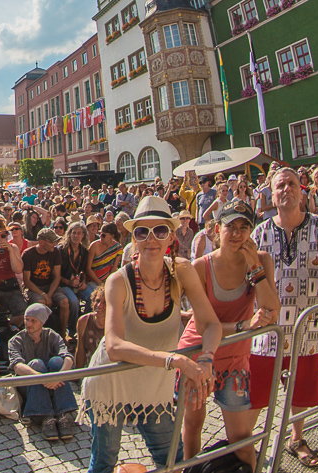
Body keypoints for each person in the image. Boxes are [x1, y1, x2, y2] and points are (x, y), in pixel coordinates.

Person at [82, 196, 220, 473]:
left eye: (159, 230)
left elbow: (211, 323)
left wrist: (206, 358)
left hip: (154, 383)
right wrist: (175, 360)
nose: (151, 239)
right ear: (133, 238)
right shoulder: (118, 281)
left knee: (172, 460)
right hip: (112, 381)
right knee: (105, 461)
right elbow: (114, 346)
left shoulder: (181, 271)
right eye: (142, 232)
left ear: (171, 236)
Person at [249, 167, 318, 468]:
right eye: (280, 185)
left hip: (307, 331)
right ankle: (253, 444)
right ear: (271, 192)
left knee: (301, 391)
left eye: (292, 184)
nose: (286, 190)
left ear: (302, 190)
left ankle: (297, 438)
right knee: (258, 393)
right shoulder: (261, 232)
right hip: (268, 334)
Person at [178, 202, 278, 470]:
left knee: (241, 438)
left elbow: (272, 309)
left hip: (234, 356)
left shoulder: (262, 260)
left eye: (244, 227)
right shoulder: (200, 266)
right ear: (216, 230)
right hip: (198, 352)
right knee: (193, 425)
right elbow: (203, 325)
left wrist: (254, 265)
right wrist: (246, 325)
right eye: (230, 226)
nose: (237, 233)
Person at [9, 302, 77, 441]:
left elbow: (68, 358)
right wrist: (40, 378)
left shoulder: (52, 335)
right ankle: (45, 416)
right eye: (27, 319)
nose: (28, 323)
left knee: (57, 361)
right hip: (29, 385)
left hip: (54, 383)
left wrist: (58, 376)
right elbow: (17, 366)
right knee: (36, 364)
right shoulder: (16, 340)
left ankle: (63, 413)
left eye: (33, 320)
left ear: (42, 322)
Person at [22, 228, 68, 331]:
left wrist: (49, 295)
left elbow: (57, 276)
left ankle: (63, 333)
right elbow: (27, 281)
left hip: (50, 286)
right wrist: (44, 295)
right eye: (51, 242)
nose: (54, 244)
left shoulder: (55, 252)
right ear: (42, 242)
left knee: (64, 302)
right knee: (41, 303)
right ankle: (40, 334)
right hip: (34, 288)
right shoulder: (28, 254)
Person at [58, 221, 93, 334]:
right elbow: (56, 275)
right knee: (73, 302)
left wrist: (84, 282)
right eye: (74, 233)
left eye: (79, 233)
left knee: (92, 297)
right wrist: (68, 282)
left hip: (77, 282)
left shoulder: (84, 251)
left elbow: (84, 270)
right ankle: (72, 330)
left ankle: (86, 326)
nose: (76, 236)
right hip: (63, 284)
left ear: (83, 235)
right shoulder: (61, 250)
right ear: (69, 234)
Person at [74, 286, 107, 369]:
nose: (99, 305)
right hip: (89, 369)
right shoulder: (83, 321)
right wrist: (77, 375)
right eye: (97, 301)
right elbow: (80, 350)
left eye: (105, 302)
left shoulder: (116, 323)